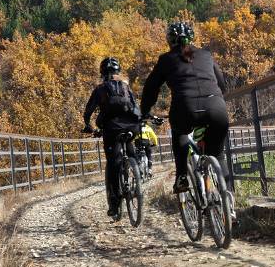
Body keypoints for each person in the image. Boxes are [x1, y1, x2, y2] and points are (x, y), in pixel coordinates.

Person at [140, 21, 229, 197]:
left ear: (170, 41)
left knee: (180, 133)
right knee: (218, 155)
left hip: (185, 108)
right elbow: (222, 84)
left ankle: (181, 177)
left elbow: (151, 89)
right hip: (216, 107)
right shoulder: (206, 54)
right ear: (192, 38)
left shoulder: (166, 59)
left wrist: (145, 111)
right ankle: (230, 202)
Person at [83, 57, 142, 220]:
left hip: (112, 129)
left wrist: (89, 126)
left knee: (113, 164)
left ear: (102, 73)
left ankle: (115, 206)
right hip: (131, 127)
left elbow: (88, 111)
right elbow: (135, 107)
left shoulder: (100, 89)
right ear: (118, 72)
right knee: (130, 153)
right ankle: (137, 175)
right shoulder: (126, 86)